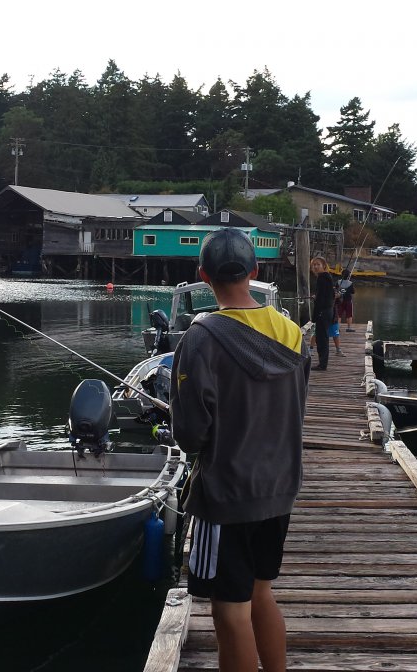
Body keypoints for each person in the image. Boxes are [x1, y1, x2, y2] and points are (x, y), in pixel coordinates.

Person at [171, 228, 309, 672]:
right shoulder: (292, 333)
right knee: (261, 593)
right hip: (279, 488)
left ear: (203, 275)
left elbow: (190, 434)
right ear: (254, 270)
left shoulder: (201, 337)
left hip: (227, 496)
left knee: (229, 611)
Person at [310, 256, 336, 370]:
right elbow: (330, 295)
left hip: (323, 312)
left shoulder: (322, 278)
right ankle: (322, 363)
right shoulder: (327, 277)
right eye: (314, 265)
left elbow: (321, 300)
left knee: (322, 339)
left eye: (318, 264)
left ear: (324, 266)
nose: (315, 267)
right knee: (322, 338)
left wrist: (315, 316)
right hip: (328, 311)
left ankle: (322, 365)